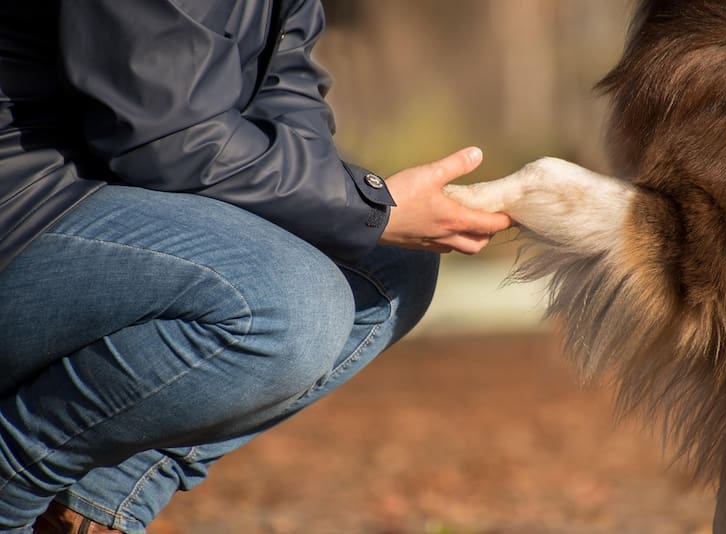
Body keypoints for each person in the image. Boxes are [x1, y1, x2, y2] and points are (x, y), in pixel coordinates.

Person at [0, 0, 512, 531]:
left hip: (102, 192)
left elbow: (284, 90)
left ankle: (90, 508)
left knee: (388, 265)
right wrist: (365, 208)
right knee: (288, 304)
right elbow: (166, 138)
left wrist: (361, 212)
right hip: (24, 209)